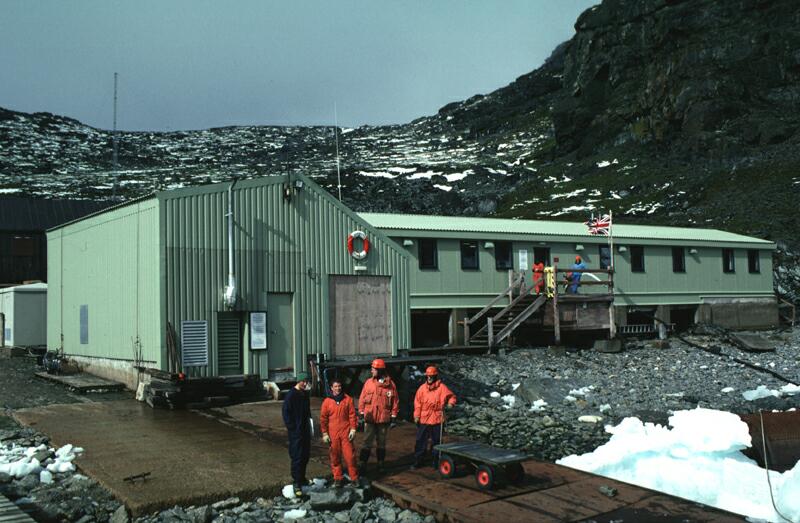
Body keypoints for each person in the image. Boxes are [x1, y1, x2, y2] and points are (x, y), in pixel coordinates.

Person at [357, 358, 399, 473]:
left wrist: (394, 417)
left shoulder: (391, 385)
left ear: (380, 370)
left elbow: (395, 402)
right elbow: (361, 399)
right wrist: (361, 414)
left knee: (382, 443)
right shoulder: (368, 383)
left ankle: (381, 464)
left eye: (373, 369)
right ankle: (362, 463)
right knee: (366, 442)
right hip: (370, 419)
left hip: (383, 419)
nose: (371, 371)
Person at [412, 366, 456, 469]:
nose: (429, 378)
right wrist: (416, 416)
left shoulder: (442, 388)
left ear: (435, 376)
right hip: (424, 419)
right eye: (428, 376)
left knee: (437, 442)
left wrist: (451, 404)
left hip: (437, 419)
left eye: (431, 376)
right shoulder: (421, 389)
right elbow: (417, 404)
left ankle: (435, 462)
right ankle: (418, 461)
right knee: (420, 441)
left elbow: (452, 397)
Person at [320, 379, 359, 488]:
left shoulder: (348, 399)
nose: (338, 388)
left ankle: (354, 478)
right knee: (335, 457)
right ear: (332, 388)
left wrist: (353, 429)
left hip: (346, 432)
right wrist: (324, 433)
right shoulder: (327, 402)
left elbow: (352, 415)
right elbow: (323, 419)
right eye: (335, 386)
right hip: (333, 434)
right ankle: (338, 478)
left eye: (339, 386)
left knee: (350, 456)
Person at [282, 371, 312, 497]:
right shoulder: (291, 395)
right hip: (296, 432)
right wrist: (292, 428)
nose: (305, 383)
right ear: (298, 381)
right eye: (303, 381)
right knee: (297, 456)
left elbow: (307, 411)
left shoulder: (305, 394)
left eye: (306, 381)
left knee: (305, 454)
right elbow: (286, 413)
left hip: (305, 430)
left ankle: (302, 477)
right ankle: (296, 482)